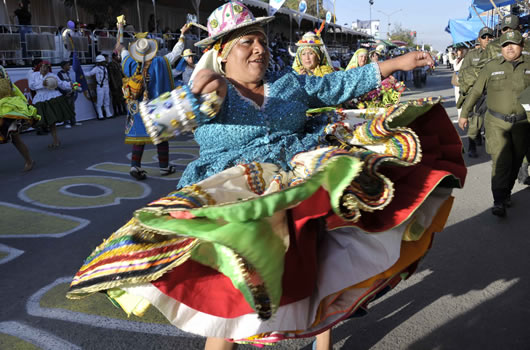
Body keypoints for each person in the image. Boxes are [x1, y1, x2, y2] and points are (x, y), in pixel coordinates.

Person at [67, 2, 466, 350]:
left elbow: (335, 84)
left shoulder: (289, 83)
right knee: (233, 293)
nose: (258, 47)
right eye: (246, 41)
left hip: (298, 181)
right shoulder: (211, 90)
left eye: (260, 38)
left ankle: (322, 342)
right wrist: (193, 96)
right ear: (221, 53)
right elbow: (145, 126)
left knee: (323, 263)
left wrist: (395, 63)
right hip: (237, 193)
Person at [458, 30, 530, 217]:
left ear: (521, 47)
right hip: (496, 123)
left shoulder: (529, 66)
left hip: (522, 124)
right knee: (500, 161)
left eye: (514, 44)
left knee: (516, 161)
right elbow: (475, 92)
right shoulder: (490, 67)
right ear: (501, 48)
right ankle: (498, 200)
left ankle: (505, 193)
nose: (509, 48)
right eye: (505, 45)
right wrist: (465, 113)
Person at [115, 23, 191, 180]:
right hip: (156, 104)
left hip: (136, 105)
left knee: (139, 137)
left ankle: (135, 166)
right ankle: (164, 167)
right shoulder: (160, 62)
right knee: (161, 136)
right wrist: (182, 34)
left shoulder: (128, 61)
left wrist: (119, 29)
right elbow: (176, 53)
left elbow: (119, 46)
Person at [457, 27, 493, 158]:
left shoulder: (497, 53)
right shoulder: (472, 55)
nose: (487, 39)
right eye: (484, 37)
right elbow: (462, 75)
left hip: (492, 92)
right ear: (479, 39)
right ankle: (472, 145)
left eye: (490, 36)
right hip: (476, 93)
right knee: (475, 121)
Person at [0, 65, 39, 171]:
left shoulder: (2, 71)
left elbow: (11, 88)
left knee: (15, 139)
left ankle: (29, 161)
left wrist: (24, 105)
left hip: (5, 109)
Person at [28, 60, 74, 149]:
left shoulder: (52, 76)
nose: (45, 69)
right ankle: (55, 140)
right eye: (43, 67)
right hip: (40, 99)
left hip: (52, 98)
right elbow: (31, 86)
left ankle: (55, 140)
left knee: (52, 121)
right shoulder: (34, 75)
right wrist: (42, 83)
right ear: (40, 67)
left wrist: (69, 84)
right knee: (46, 121)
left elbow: (61, 84)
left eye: (47, 67)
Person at [85, 55, 112, 119]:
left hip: (106, 85)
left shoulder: (105, 68)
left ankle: (108, 113)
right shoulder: (96, 69)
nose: (104, 62)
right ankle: (100, 115)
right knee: (100, 100)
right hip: (100, 86)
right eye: (103, 61)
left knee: (107, 99)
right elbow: (89, 74)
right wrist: (82, 73)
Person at [56, 60, 81, 128]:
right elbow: (59, 85)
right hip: (65, 94)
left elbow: (72, 82)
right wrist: (64, 93)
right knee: (66, 108)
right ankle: (66, 122)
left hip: (71, 93)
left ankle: (73, 121)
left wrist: (75, 88)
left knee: (72, 108)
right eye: (68, 65)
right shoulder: (59, 74)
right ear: (64, 66)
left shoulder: (68, 73)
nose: (69, 66)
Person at [107, 52, 126, 116]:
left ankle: (122, 110)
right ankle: (116, 111)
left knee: (122, 97)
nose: (119, 57)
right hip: (115, 84)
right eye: (117, 56)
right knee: (115, 98)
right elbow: (111, 76)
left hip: (120, 83)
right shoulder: (111, 64)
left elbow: (121, 74)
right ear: (114, 57)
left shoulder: (118, 64)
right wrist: (114, 85)